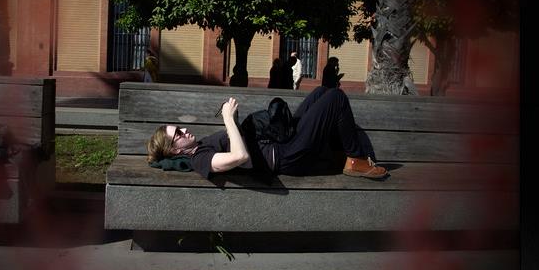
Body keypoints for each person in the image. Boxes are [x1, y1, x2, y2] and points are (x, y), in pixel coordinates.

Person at [146, 86, 388, 180]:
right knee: (336, 98)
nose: (184, 129)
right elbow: (240, 157)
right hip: (286, 155)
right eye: (177, 133)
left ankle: (341, 153)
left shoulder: (200, 145)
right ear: (174, 150)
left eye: (179, 128)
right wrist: (229, 119)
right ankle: (355, 159)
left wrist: (238, 123)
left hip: (281, 140)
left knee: (321, 92)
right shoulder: (200, 159)